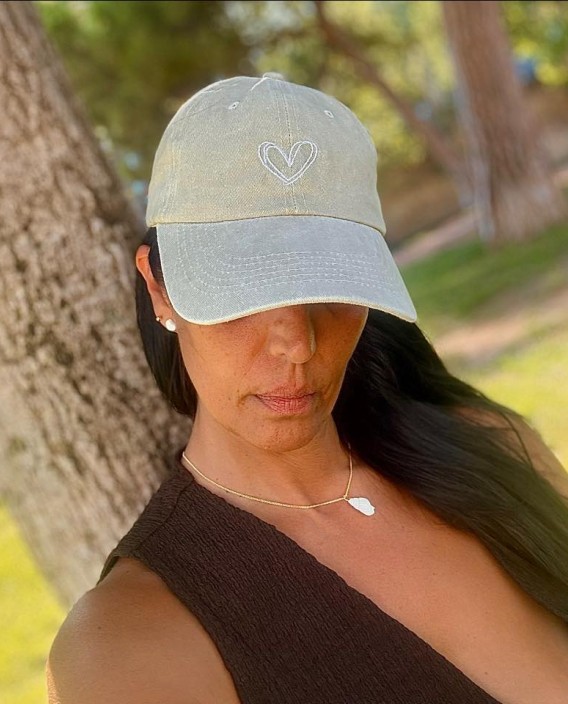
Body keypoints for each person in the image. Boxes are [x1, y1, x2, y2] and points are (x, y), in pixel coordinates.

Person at [47, 73, 568, 704]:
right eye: (241, 295)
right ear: (159, 289)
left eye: (329, 285)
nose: (297, 344)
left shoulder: (490, 455)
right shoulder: (127, 643)